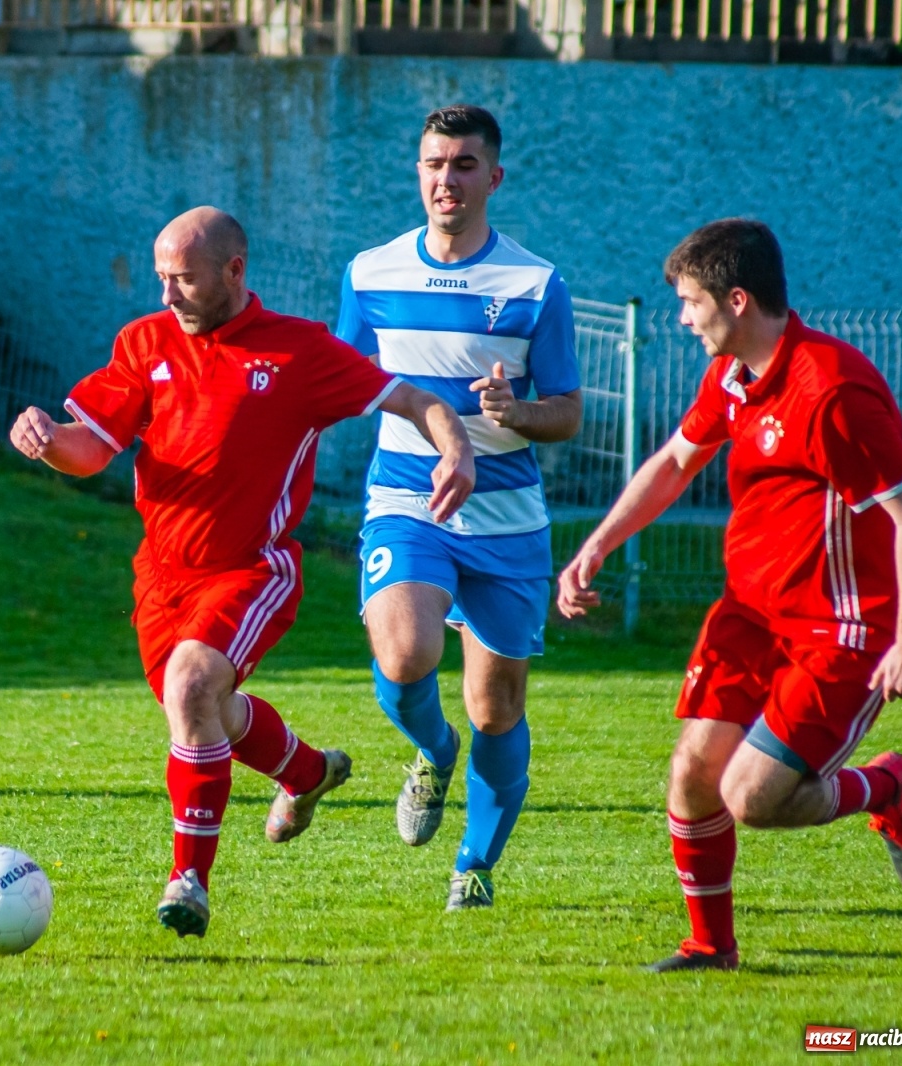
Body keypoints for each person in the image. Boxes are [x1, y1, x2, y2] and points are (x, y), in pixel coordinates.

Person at [9, 206, 477, 938]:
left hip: (252, 570)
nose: (168, 296)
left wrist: (455, 449)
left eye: (184, 280)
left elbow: (414, 400)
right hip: (161, 580)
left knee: (193, 685)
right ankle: (307, 772)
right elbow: (91, 450)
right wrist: (46, 441)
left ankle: (188, 880)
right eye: (162, 278)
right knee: (208, 715)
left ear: (233, 271)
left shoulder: (299, 352)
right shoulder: (144, 342)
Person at [558, 218, 902, 972]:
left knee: (755, 798)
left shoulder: (831, 390)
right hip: (749, 616)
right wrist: (597, 545)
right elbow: (673, 463)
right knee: (693, 773)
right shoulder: (732, 378)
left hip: (840, 631)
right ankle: (710, 947)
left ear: (736, 300)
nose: (681, 318)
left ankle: (885, 786)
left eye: (690, 301)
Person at [336, 105, 583, 911]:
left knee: (496, 702)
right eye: (435, 163)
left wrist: (515, 414)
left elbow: (570, 411)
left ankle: (474, 866)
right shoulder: (371, 273)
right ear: (419, 172)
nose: (447, 179)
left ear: (493, 178)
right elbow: (346, 382)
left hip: (508, 518)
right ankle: (433, 752)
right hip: (407, 499)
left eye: (465, 164)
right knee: (405, 657)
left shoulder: (534, 284)